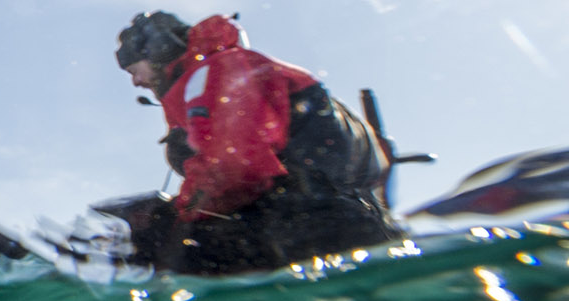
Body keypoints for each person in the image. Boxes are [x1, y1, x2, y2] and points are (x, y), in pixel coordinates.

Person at [106, 12, 404, 274]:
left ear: (156, 50)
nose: (135, 81)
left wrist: (171, 218)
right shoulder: (216, 73)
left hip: (307, 227)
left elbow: (236, 164)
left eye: (134, 69)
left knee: (154, 247)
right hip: (316, 220)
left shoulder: (216, 70)